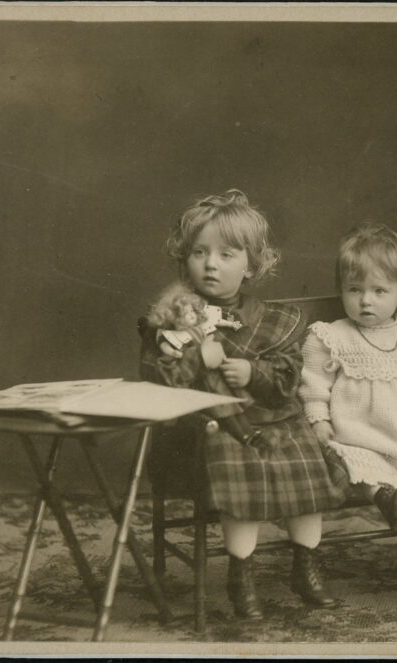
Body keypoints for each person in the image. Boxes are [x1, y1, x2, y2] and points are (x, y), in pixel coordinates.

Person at [139, 189, 348, 621]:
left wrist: (252, 372)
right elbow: (157, 377)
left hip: (275, 419)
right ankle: (242, 574)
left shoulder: (276, 320)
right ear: (185, 258)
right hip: (207, 426)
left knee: (304, 462)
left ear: (251, 265)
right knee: (240, 467)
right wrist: (199, 358)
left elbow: (288, 380)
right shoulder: (173, 316)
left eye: (226, 254)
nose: (210, 263)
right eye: (200, 252)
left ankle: (306, 565)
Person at [299, 223, 397, 561]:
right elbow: (313, 384)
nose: (365, 300)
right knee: (351, 460)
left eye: (379, 291)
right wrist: (319, 418)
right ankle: (384, 497)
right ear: (342, 291)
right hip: (355, 433)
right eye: (354, 289)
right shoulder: (331, 336)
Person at [144, 282, 260, 446]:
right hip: (204, 380)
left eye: (192, 310)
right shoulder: (174, 336)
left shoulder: (201, 325)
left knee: (234, 405)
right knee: (224, 412)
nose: (191, 315)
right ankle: (244, 436)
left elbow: (219, 320)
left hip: (217, 374)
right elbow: (164, 345)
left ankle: (250, 432)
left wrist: (233, 324)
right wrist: (174, 352)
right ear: (174, 318)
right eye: (185, 314)